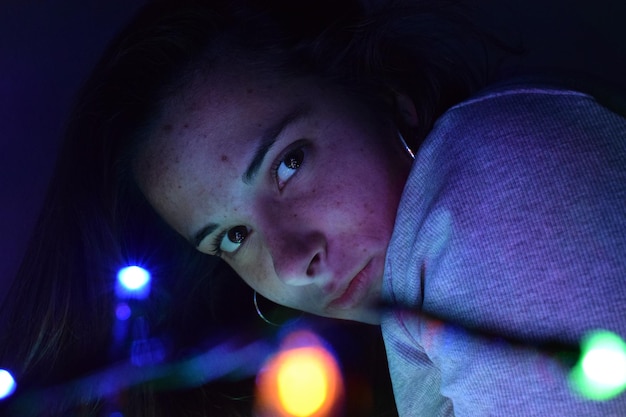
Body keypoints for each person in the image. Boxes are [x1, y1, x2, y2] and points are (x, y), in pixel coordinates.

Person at [1, 0, 625, 416]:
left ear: (386, 93)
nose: (294, 260)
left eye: (289, 163)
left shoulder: (497, 170)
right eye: (233, 236)